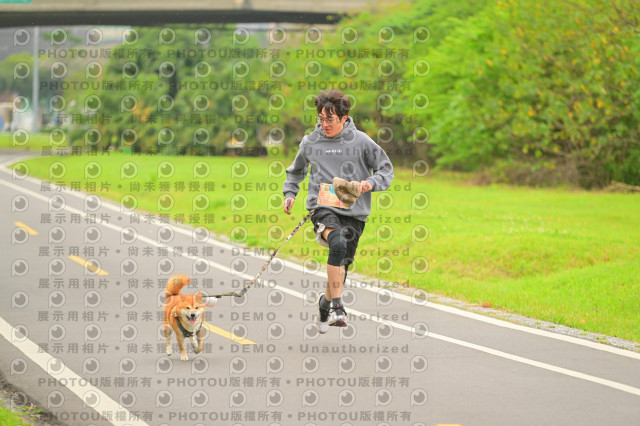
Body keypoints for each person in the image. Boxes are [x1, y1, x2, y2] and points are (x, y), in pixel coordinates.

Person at [282, 89, 394, 333]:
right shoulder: (311, 142)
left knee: (341, 263)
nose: (325, 124)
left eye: (330, 119)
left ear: (344, 118)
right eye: (321, 118)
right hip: (322, 206)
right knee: (338, 243)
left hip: (355, 212)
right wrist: (290, 193)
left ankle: (325, 304)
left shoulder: (362, 141)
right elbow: (296, 170)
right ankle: (338, 307)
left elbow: (386, 169)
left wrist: (370, 183)